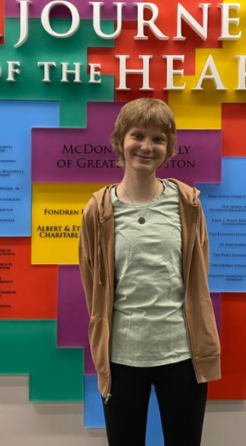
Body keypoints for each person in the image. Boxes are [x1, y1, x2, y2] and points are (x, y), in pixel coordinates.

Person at [77, 97, 221, 446]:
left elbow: (199, 272)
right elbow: (91, 282)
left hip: (183, 354)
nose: (146, 146)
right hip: (121, 357)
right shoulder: (98, 209)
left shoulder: (187, 203)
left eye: (158, 139)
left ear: (168, 148)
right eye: (138, 135)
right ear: (120, 140)